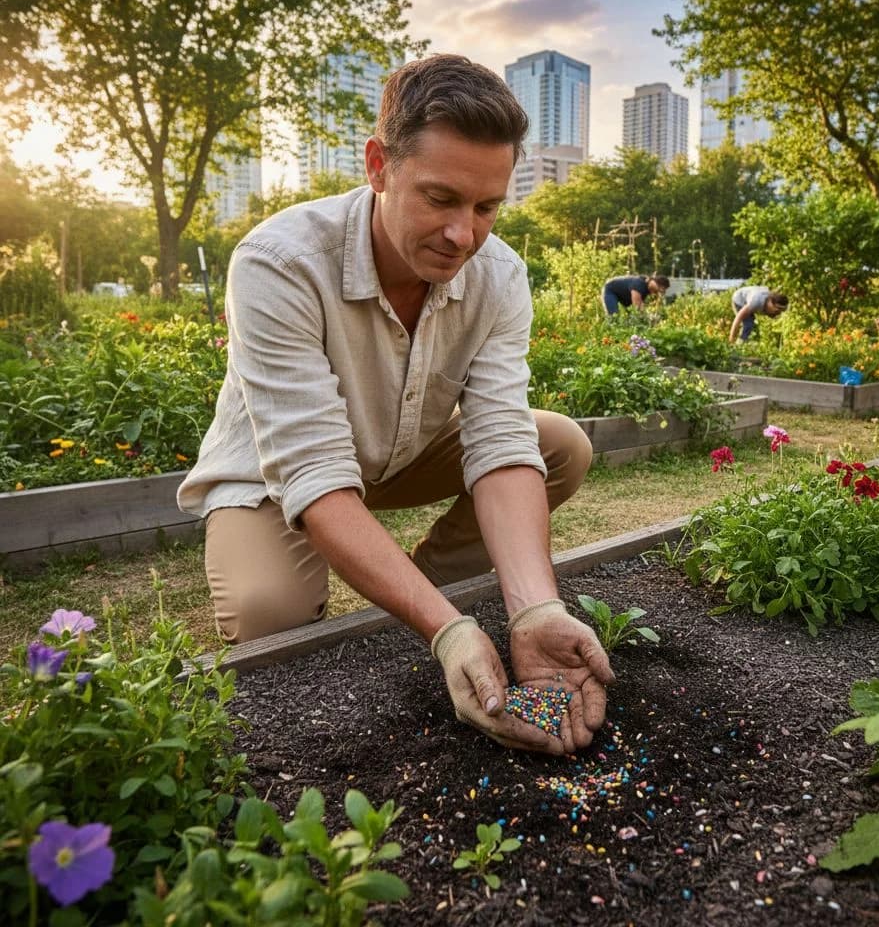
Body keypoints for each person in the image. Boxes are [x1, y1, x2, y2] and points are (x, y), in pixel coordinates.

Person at [177, 54, 613, 757]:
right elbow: (314, 471)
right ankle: (431, 612)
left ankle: (423, 590)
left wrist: (536, 609)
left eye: (487, 206)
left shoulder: (498, 274)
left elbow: (500, 438)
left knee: (559, 444)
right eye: (440, 199)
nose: (463, 236)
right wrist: (448, 631)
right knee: (270, 614)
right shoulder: (280, 263)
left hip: (403, 451)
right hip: (274, 474)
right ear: (379, 165)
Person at [602, 274, 670, 315]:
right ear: (654, 281)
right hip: (611, 290)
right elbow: (636, 305)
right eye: (659, 288)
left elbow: (641, 305)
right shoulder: (639, 284)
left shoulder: (647, 289)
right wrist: (645, 318)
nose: (658, 292)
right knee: (614, 316)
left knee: (628, 318)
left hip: (622, 296)